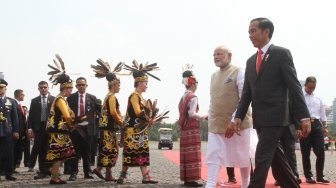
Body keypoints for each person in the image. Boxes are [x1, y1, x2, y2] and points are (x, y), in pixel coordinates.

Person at [232, 17, 311, 188]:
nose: (250, 35)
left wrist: (304, 117)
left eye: (253, 31)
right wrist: (238, 115)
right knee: (277, 161)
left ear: (266, 31)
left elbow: (295, 86)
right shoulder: (250, 61)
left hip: (277, 117)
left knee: (261, 158)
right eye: (248, 32)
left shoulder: (281, 54)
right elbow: (247, 93)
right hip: (260, 119)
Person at [205, 46, 254, 188]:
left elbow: (244, 99)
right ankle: (210, 183)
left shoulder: (239, 72)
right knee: (214, 155)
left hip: (238, 124)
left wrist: (234, 120)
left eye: (219, 54)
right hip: (216, 124)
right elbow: (213, 99)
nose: (216, 57)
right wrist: (210, 116)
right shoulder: (213, 76)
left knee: (243, 156)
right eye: (214, 54)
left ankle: (246, 183)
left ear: (229, 55)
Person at [117, 60, 161, 184]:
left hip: (140, 130)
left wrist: (149, 119)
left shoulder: (142, 97)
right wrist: (149, 118)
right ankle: (123, 175)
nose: (147, 86)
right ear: (140, 83)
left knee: (141, 153)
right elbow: (137, 112)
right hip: (133, 130)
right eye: (146, 83)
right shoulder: (134, 96)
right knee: (130, 153)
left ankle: (145, 177)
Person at [45, 54, 76, 184]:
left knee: (64, 154)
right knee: (58, 155)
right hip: (58, 131)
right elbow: (67, 116)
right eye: (70, 89)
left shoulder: (62, 99)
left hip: (60, 131)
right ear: (65, 88)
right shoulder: (60, 100)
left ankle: (55, 174)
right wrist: (72, 124)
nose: (71, 91)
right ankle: (54, 177)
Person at [91, 60, 124, 181]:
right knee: (110, 149)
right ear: (113, 85)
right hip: (109, 127)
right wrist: (121, 122)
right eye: (118, 85)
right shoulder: (111, 97)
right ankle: (102, 171)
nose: (120, 87)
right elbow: (113, 112)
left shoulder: (108, 96)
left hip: (106, 127)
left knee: (107, 149)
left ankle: (105, 172)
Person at [178, 66, 206, 187]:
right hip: (192, 128)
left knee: (185, 152)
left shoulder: (183, 97)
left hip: (184, 128)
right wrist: (204, 116)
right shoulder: (193, 97)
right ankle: (192, 179)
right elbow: (192, 114)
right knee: (193, 152)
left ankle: (186, 178)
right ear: (193, 83)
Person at [66, 77, 98, 181]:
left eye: (83, 85)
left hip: (88, 129)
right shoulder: (70, 98)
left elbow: (100, 112)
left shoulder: (93, 98)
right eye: (79, 85)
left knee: (87, 152)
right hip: (75, 128)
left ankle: (87, 172)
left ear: (86, 86)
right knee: (75, 152)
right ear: (76, 86)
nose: (81, 86)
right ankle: (73, 173)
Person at [300, 76, 329, 184]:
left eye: (313, 87)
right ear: (305, 85)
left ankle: (320, 176)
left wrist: (325, 126)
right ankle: (309, 176)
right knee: (305, 152)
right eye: (310, 87)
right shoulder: (300, 96)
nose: (311, 89)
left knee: (321, 151)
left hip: (317, 124)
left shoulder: (319, 97)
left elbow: (322, 113)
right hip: (304, 124)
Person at [27, 81, 55, 179]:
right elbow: (31, 116)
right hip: (38, 128)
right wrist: (30, 128)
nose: (43, 89)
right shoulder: (34, 101)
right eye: (41, 87)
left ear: (48, 88)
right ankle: (42, 170)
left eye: (45, 87)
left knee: (49, 149)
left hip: (51, 128)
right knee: (40, 149)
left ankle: (50, 169)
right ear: (38, 89)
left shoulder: (54, 99)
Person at [0, 79, 19, 181]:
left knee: (9, 153)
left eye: (2, 88)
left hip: (8, 130)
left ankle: (9, 172)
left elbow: (15, 118)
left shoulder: (11, 101)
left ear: (5, 88)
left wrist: (16, 131)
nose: (0, 90)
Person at [13, 89, 30, 169]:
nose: (24, 96)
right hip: (17, 131)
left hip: (22, 132)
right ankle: (13, 165)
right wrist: (16, 131)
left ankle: (15, 165)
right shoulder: (14, 104)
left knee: (19, 149)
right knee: (15, 149)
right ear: (18, 95)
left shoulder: (20, 105)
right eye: (22, 95)